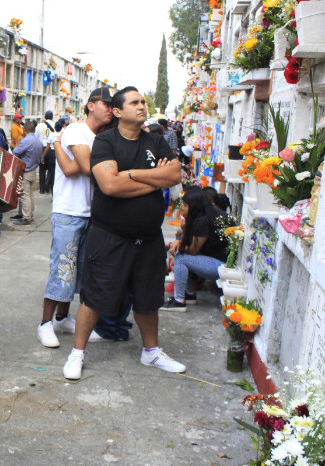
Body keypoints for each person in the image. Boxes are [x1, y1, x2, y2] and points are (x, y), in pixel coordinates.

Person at [62, 86, 185, 380]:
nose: (142, 106)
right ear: (117, 112)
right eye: (135, 102)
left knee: (147, 296)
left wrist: (130, 174)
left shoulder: (156, 140)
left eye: (143, 101)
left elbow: (174, 175)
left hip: (149, 237)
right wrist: (155, 180)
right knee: (93, 296)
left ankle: (151, 352)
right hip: (109, 236)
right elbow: (109, 186)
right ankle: (77, 353)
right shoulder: (105, 142)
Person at [37, 87, 113, 348]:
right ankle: (45, 324)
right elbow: (86, 168)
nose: (111, 109)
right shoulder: (76, 131)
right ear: (91, 105)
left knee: (80, 272)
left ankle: (62, 318)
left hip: (91, 213)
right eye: (106, 104)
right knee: (62, 269)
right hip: (69, 212)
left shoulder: (97, 136)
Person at [160, 188, 230, 311]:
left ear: (194, 206)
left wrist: (175, 245)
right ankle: (189, 294)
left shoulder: (203, 221)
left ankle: (179, 301)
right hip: (215, 261)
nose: (182, 208)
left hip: (222, 266)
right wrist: (179, 239)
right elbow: (188, 238)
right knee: (181, 252)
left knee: (181, 257)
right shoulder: (206, 214)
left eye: (185, 205)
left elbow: (192, 251)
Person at [12, 121, 43, 226]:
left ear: (24, 130)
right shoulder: (38, 141)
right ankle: (30, 215)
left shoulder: (26, 141)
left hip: (25, 170)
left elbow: (15, 152)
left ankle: (26, 218)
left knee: (25, 195)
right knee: (30, 195)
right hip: (33, 169)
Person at [35, 110, 55, 193]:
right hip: (51, 148)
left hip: (42, 148)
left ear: (45, 117)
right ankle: (50, 186)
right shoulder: (54, 125)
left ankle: (42, 189)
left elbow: (36, 137)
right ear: (52, 117)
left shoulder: (39, 126)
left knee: (42, 169)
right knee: (51, 169)